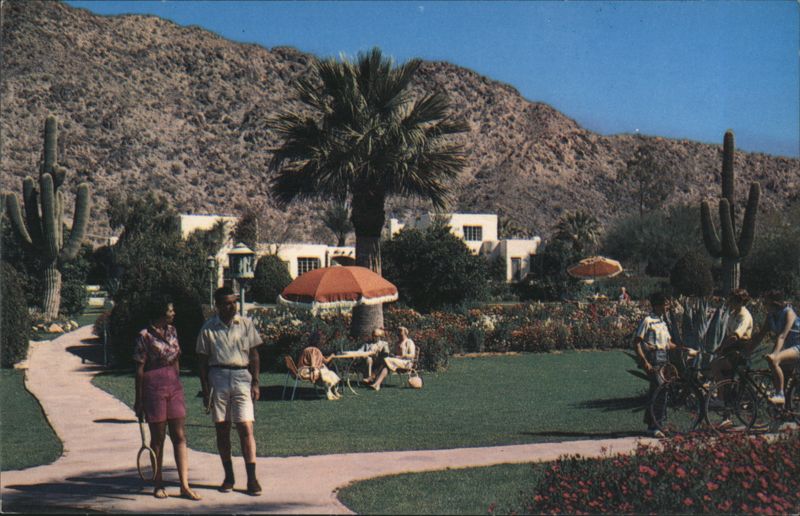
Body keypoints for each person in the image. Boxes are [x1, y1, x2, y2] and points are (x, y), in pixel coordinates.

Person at [197, 286, 263, 496]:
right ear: (217, 305)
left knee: (245, 427)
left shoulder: (245, 325)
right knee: (222, 429)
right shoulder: (208, 328)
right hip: (218, 378)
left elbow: (254, 356)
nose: (231, 306)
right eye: (226, 303)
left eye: (233, 302)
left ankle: (251, 479)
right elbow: (201, 361)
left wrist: (255, 383)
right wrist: (205, 389)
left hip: (242, 377)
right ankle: (229, 476)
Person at [133, 296, 201, 501]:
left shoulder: (173, 331)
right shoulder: (144, 335)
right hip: (153, 386)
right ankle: (158, 483)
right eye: (171, 310)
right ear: (161, 312)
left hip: (174, 385)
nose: (174, 313)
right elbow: (139, 369)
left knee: (180, 435)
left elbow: (177, 359)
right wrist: (139, 400)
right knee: (158, 439)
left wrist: (177, 382)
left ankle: (184, 485)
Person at [633, 291, 696, 438]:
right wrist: (645, 362)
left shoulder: (663, 322)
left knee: (659, 391)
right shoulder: (647, 321)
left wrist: (682, 348)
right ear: (657, 305)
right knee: (660, 391)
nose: (667, 306)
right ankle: (656, 426)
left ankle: (653, 425)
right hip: (654, 358)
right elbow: (636, 343)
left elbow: (667, 343)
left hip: (664, 358)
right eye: (665, 304)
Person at [750, 290, 800, 404]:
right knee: (783, 379)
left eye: (766, 303)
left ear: (774, 303)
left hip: (798, 346)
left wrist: (775, 354)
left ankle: (780, 395)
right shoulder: (771, 316)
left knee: (775, 360)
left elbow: (782, 336)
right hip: (790, 348)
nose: (763, 305)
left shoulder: (789, 313)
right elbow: (759, 336)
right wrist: (746, 352)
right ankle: (785, 413)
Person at [709, 288, 754, 382]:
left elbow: (735, 336)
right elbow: (728, 334)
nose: (730, 302)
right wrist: (721, 347)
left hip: (741, 351)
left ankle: (721, 396)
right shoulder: (733, 314)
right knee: (721, 371)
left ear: (740, 302)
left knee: (715, 365)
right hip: (731, 349)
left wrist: (722, 347)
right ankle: (726, 392)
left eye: (733, 300)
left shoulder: (744, 316)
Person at [367, 326, 416, 391]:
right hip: (396, 361)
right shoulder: (397, 343)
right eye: (398, 334)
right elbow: (393, 353)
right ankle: (377, 384)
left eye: (401, 334)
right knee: (386, 366)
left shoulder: (409, 342)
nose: (399, 336)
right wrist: (393, 355)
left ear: (405, 334)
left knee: (386, 360)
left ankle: (373, 377)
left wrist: (401, 356)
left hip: (406, 363)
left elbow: (412, 355)